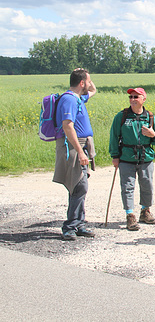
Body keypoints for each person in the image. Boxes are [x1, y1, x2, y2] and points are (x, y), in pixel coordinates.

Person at [109, 87, 155, 231]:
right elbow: (113, 137)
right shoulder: (122, 117)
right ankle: (130, 215)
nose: (132, 100)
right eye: (130, 97)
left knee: (147, 185)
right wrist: (115, 156)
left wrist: (153, 135)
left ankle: (145, 212)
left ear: (143, 99)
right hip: (126, 157)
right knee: (127, 187)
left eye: (135, 97)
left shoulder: (150, 117)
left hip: (146, 157)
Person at [53, 68, 97, 241]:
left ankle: (79, 224)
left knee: (80, 185)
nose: (89, 84)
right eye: (87, 80)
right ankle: (70, 226)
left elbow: (93, 90)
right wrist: (79, 152)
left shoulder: (78, 98)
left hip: (81, 146)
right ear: (81, 83)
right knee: (78, 186)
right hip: (73, 146)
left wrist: (83, 73)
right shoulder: (69, 100)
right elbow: (67, 126)